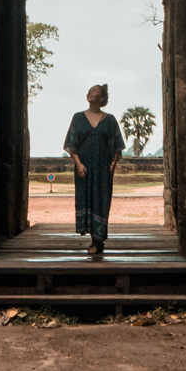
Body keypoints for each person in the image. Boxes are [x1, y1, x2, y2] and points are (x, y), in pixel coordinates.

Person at [63, 83, 125, 254]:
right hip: (84, 167)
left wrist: (111, 167)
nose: (89, 93)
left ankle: (98, 241)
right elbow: (71, 144)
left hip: (103, 168)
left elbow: (117, 147)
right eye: (89, 91)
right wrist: (78, 164)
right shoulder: (78, 118)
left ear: (102, 98)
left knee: (101, 202)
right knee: (86, 199)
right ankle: (92, 238)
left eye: (94, 91)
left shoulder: (110, 120)